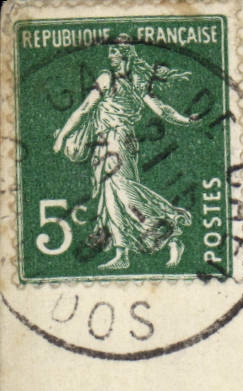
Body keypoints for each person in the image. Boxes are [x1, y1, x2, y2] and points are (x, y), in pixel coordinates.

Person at [52, 37, 202, 270]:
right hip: (109, 143)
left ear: (125, 54)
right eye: (110, 51)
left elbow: (86, 109)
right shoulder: (126, 80)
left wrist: (62, 136)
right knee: (113, 198)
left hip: (118, 140)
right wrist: (184, 120)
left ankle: (170, 224)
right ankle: (124, 253)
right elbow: (86, 109)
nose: (110, 55)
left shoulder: (115, 79)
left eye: (114, 51)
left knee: (122, 192)